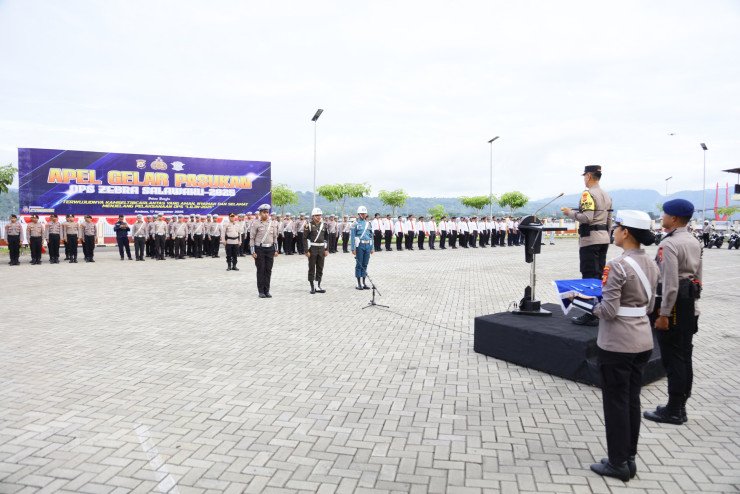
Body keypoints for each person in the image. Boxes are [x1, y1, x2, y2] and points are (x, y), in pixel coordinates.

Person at [569, 210, 659, 482]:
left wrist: (582, 303)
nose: (614, 231)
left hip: (618, 342)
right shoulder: (651, 263)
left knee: (616, 403)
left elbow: (608, 311)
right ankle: (628, 457)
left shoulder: (617, 265)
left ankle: (618, 463)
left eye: (617, 227)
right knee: (631, 400)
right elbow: (650, 306)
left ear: (626, 232)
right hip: (642, 339)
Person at [644, 199, 703, 425]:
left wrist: (664, 314)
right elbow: (698, 277)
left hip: (674, 304)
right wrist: (694, 305)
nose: (663, 217)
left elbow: (670, 284)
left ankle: (674, 410)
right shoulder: (694, 240)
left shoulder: (669, 244)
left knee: (673, 359)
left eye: (665, 214)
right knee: (684, 356)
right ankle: (680, 405)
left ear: (675, 218)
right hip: (688, 303)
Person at [562, 164, 613, 326]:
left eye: (585, 176)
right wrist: (607, 236)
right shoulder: (607, 195)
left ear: (589, 176)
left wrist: (569, 213)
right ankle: (599, 311)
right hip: (603, 238)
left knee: (589, 277)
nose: (584, 179)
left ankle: (591, 314)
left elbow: (587, 218)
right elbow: (609, 220)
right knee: (599, 276)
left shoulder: (588, 194)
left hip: (590, 240)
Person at [250, 204, 280, 298]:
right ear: (260, 213)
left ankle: (267, 291)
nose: (266, 214)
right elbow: (252, 238)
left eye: (267, 212)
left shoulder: (273, 223)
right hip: (259, 249)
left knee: (268, 270)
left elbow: (275, 237)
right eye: (264, 212)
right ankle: (261, 291)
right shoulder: (255, 223)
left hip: (270, 249)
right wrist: (253, 251)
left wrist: (276, 249)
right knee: (261, 270)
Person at [305, 207, 329, 294]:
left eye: (320, 215)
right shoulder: (308, 225)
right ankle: (312, 286)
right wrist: (306, 250)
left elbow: (327, 238)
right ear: (313, 216)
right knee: (312, 267)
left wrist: (326, 249)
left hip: (321, 249)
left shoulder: (324, 225)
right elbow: (304, 238)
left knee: (320, 267)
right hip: (312, 248)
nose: (319, 217)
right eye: (317, 215)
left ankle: (318, 285)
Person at [351, 206, 374, 289]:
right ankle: (358, 283)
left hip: (367, 245)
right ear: (359, 214)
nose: (364, 215)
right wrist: (353, 248)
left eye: (365, 213)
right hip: (359, 245)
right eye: (362, 213)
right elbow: (352, 236)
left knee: (365, 264)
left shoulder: (368, 223)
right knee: (359, 264)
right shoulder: (355, 224)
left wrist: (372, 247)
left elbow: (371, 236)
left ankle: (364, 283)